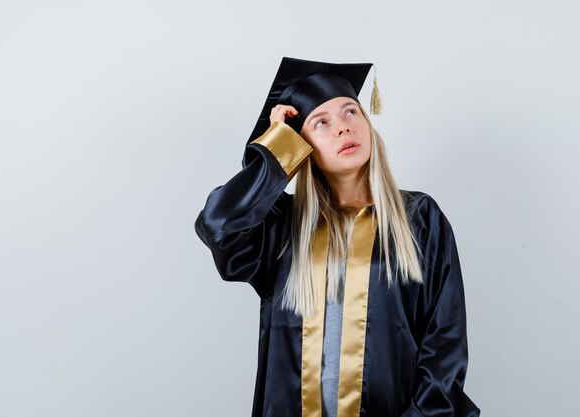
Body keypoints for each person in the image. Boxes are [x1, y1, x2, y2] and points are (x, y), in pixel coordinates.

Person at [194, 56, 480, 417]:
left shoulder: (418, 219)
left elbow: (444, 348)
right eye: (321, 122)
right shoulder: (283, 227)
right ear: (302, 145)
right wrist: (276, 152)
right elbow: (219, 226)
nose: (343, 128)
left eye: (350, 112)